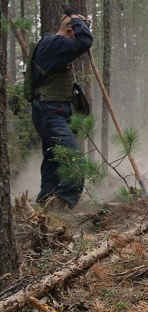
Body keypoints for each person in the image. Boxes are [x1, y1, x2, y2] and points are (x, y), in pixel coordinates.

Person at [30, 13, 93, 211]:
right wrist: (76, 20)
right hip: (51, 111)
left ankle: (45, 204)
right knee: (74, 158)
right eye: (75, 32)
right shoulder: (55, 43)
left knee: (53, 160)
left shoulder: (52, 44)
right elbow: (85, 41)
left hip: (53, 109)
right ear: (69, 31)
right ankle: (61, 204)